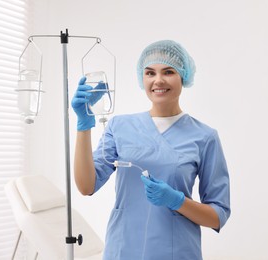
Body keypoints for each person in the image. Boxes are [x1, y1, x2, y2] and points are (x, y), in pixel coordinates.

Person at [71, 40, 231, 260]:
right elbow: (86, 186)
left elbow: (218, 215)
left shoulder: (205, 136)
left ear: (183, 76)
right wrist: (84, 124)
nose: (158, 80)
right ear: (141, 78)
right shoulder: (119, 126)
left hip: (176, 252)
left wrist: (178, 201)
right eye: (150, 73)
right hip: (124, 248)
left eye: (168, 71)